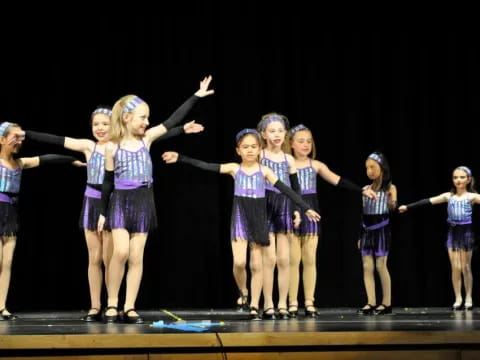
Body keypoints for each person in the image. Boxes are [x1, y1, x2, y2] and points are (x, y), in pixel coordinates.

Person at [25, 107, 204, 322]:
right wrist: (27, 134)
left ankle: (116, 304)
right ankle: (95, 306)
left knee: (114, 257)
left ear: (116, 124)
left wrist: (182, 129)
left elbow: (158, 132)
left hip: (116, 201)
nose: (100, 128)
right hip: (93, 203)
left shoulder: (121, 146)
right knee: (95, 258)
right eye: (96, 124)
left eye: (105, 124)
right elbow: (57, 140)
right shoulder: (88, 146)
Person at [161, 128, 320, 320]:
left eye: (254, 146)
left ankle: (254, 305)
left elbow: (286, 189)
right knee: (239, 261)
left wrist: (304, 207)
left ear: (260, 149)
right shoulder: (234, 169)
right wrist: (181, 158)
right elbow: (206, 166)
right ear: (238, 151)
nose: (250, 150)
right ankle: (243, 290)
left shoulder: (265, 171)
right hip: (241, 216)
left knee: (256, 264)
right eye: (245, 147)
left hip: (258, 216)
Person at [97, 76, 214, 323]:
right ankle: (111, 303)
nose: (147, 122)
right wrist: (101, 212)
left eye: (147, 118)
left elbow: (171, 120)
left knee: (137, 256)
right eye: (143, 117)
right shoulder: (111, 147)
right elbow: (106, 182)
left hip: (143, 199)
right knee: (120, 251)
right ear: (126, 118)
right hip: (120, 200)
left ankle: (129, 306)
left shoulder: (146, 139)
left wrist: (196, 96)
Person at [287, 124, 376, 317]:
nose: (305, 145)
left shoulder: (315, 165)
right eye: (301, 141)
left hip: (311, 211)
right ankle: (292, 302)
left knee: (310, 259)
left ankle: (309, 302)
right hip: (292, 209)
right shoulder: (286, 163)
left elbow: (338, 180)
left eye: (309, 141)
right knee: (293, 260)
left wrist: (360, 189)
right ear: (291, 144)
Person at [0, 121, 80, 321]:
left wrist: (71, 160)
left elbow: (46, 159)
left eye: (21, 137)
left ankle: (2, 307)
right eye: (14, 137)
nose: (19, 141)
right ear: (2, 140)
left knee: (7, 262)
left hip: (10, 213)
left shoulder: (19, 163)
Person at [399, 166, 480, 310]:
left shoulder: (472, 197)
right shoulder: (448, 196)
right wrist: (408, 206)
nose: (458, 180)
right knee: (455, 267)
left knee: (465, 267)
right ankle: (458, 298)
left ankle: (468, 297)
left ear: (468, 179)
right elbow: (428, 201)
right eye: (455, 177)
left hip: (466, 233)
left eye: (462, 177)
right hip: (453, 233)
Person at [256, 112, 301, 319]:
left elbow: (295, 189)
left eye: (280, 131)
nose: (276, 135)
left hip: (283, 206)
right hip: (264, 205)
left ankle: (283, 304)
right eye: (272, 131)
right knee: (269, 259)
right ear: (263, 134)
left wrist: (297, 210)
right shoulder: (259, 156)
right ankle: (268, 304)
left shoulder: (288, 159)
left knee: (284, 259)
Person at [357, 152, 397, 315]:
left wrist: (392, 201)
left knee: (381, 266)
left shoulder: (390, 188)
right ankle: (371, 302)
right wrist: (360, 235)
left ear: (382, 168)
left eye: (373, 167)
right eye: (367, 168)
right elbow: (363, 213)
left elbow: (392, 208)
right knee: (367, 267)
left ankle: (386, 303)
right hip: (367, 230)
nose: (369, 171)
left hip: (381, 230)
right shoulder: (365, 189)